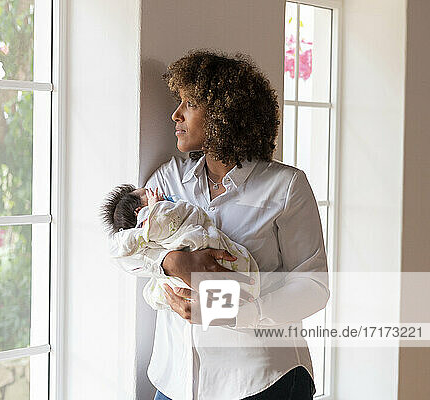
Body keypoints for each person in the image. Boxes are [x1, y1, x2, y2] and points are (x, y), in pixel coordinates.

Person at [110, 50, 329, 400]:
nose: (175, 114)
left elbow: (314, 286)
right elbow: (125, 249)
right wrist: (171, 263)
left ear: (226, 114)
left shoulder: (285, 187)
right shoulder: (168, 179)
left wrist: (237, 313)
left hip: (264, 382)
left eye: (189, 103)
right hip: (175, 382)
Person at [101, 184, 260, 310]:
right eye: (148, 193)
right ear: (140, 211)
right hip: (190, 249)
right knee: (160, 288)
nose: (158, 192)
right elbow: (160, 222)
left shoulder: (169, 210)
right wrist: (155, 209)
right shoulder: (155, 217)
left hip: (205, 248)